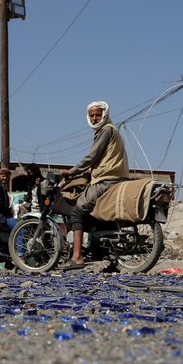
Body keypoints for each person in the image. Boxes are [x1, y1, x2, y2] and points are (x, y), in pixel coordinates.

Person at [61, 101, 129, 271]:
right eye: (91, 115)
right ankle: (99, 251)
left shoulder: (106, 130)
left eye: (97, 114)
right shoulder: (111, 130)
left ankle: (77, 257)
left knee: (77, 211)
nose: (94, 118)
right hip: (114, 176)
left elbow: (92, 156)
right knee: (92, 213)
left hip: (107, 178)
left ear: (104, 114)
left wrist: (73, 171)